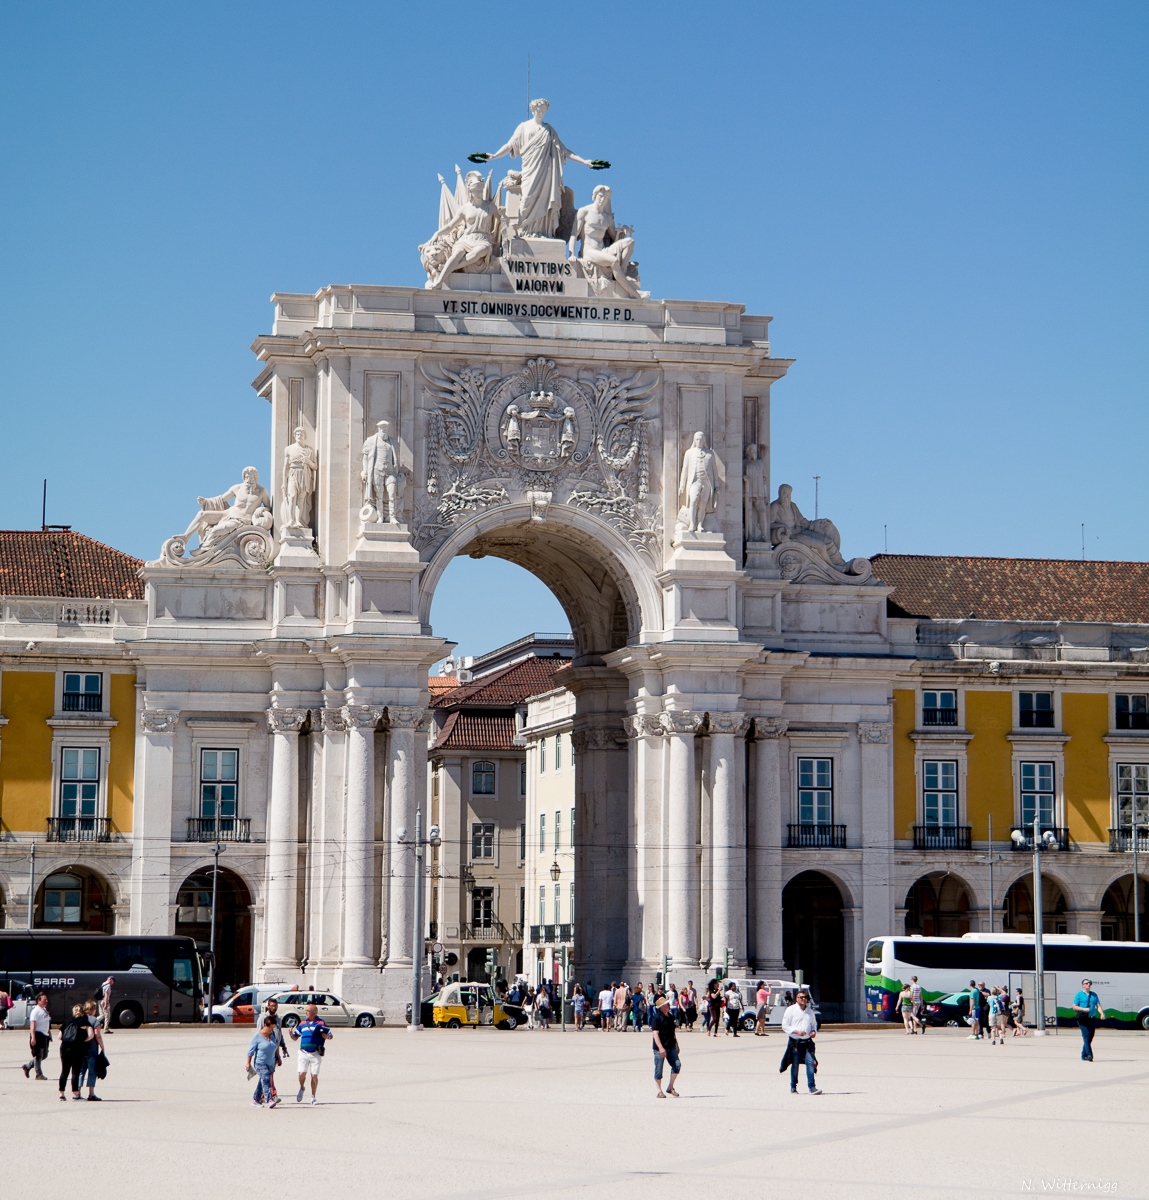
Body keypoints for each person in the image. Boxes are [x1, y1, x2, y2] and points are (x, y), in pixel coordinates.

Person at [290, 1002, 332, 1105]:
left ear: (314, 1012)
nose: (306, 1013)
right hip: (303, 1052)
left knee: (314, 1075)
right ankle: (302, 1087)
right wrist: (291, 1035)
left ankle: (313, 1096)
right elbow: (296, 1037)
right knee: (301, 1073)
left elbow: (330, 1035)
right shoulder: (302, 1023)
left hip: (315, 1053)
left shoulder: (321, 1023)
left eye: (307, 1011)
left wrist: (327, 1036)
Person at [781, 990, 821, 1095]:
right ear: (796, 999)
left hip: (807, 1042)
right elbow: (785, 1025)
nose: (803, 999)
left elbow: (814, 1024)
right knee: (795, 1065)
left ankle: (812, 1087)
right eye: (801, 997)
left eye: (805, 997)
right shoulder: (790, 1010)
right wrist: (796, 1032)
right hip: (795, 1042)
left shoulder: (810, 1011)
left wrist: (813, 1031)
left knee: (810, 1063)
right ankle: (793, 1086)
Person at [246, 1015, 280, 1108]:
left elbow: (275, 1047)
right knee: (266, 1080)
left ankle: (256, 1099)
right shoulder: (257, 1036)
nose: (271, 1030)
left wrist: (278, 1057)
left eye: (273, 1028)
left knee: (262, 1082)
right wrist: (248, 1063)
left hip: (271, 1063)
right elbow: (250, 1051)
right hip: (260, 1063)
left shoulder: (272, 1035)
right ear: (265, 1025)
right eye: (270, 1027)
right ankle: (269, 1099)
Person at [651, 995, 681, 1100]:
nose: (669, 1005)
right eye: (667, 1004)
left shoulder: (671, 1017)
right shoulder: (656, 1018)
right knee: (659, 1069)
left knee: (677, 1065)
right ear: (662, 1007)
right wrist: (660, 1048)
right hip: (660, 1048)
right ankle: (659, 1091)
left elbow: (673, 1033)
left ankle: (670, 1087)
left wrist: (676, 1044)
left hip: (671, 1046)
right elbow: (655, 1034)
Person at [58, 1004, 88, 1101]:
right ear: (82, 1011)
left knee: (64, 1071)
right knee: (75, 1072)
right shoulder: (84, 1021)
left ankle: (61, 1093)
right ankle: (75, 1093)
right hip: (77, 1048)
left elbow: (59, 1036)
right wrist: (83, 1040)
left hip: (65, 1048)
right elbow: (91, 1035)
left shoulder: (67, 1022)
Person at [1073, 978, 1105, 1062]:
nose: (1088, 984)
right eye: (1086, 983)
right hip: (1083, 1019)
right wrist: (1083, 1009)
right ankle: (1089, 1054)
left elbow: (1098, 1005)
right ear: (1083, 985)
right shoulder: (1079, 994)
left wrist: (1102, 1013)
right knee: (1086, 1036)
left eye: (1089, 983)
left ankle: (1083, 1055)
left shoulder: (1094, 995)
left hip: (1092, 1018)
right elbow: (1074, 1006)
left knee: (1090, 1037)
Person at [78, 999, 105, 1099]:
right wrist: (102, 1046)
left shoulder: (80, 1019)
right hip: (91, 1050)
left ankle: (78, 1092)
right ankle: (91, 1093)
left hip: (81, 1049)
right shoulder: (94, 1020)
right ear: (93, 1009)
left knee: (81, 1071)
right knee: (92, 1071)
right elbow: (97, 1035)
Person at [23, 992, 51, 1080]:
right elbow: (32, 1025)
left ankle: (28, 1066)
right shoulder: (35, 1011)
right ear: (38, 1001)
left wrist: (49, 1033)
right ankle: (39, 1074)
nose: (46, 1001)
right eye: (44, 1000)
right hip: (38, 1034)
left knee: (45, 1055)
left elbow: (46, 1022)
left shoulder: (44, 1010)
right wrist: (33, 1037)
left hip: (45, 1035)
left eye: (46, 999)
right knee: (39, 1055)